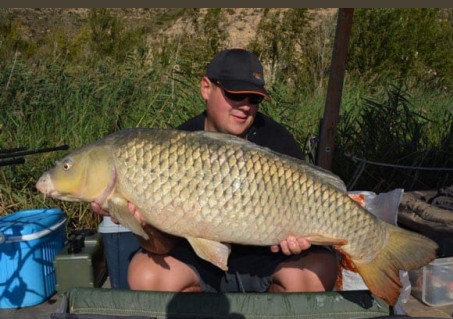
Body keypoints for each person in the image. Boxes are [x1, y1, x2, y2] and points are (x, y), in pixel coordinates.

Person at [92, 48, 338, 293]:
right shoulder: (175, 146)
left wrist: (299, 243)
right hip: (200, 263)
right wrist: (143, 225)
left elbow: (310, 216)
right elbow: (161, 247)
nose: (245, 107)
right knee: (146, 275)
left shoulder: (277, 141)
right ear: (206, 88)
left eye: (254, 99)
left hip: (265, 261)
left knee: (317, 271)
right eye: (235, 94)